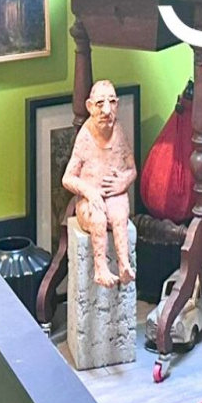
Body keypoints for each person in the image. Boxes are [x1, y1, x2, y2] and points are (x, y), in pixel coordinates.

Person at [63, 80, 137, 287]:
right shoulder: (85, 137)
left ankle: (124, 265)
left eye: (111, 102)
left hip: (115, 195)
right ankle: (100, 269)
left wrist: (123, 182)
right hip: (90, 200)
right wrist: (90, 192)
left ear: (117, 104)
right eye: (100, 104)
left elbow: (132, 169)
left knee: (119, 215)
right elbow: (67, 178)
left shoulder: (118, 131)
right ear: (89, 106)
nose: (106, 110)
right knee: (98, 218)